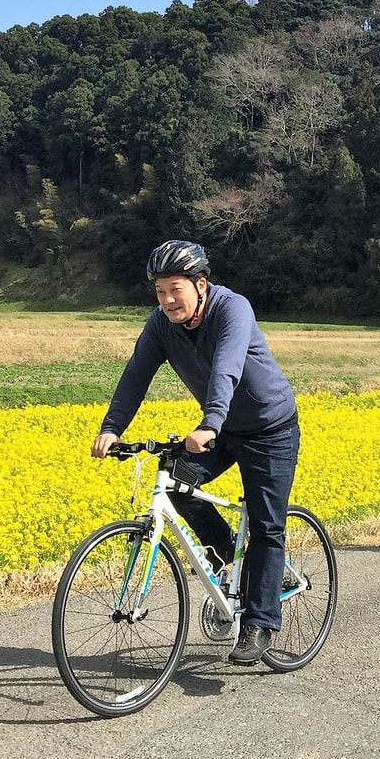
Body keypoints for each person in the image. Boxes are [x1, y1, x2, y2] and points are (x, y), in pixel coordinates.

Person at [91, 239, 300, 665]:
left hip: (269, 429)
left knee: (265, 526)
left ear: (200, 284)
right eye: (160, 291)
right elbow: (136, 375)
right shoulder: (161, 324)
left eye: (175, 289)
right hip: (220, 428)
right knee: (176, 486)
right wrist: (111, 429)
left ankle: (261, 622)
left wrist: (210, 422)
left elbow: (227, 366)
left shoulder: (232, 309)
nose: (167, 299)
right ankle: (225, 551)